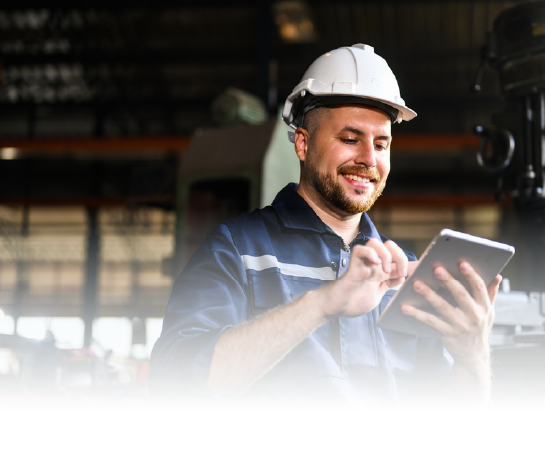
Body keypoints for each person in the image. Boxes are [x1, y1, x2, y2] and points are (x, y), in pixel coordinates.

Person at [150, 44, 501, 406]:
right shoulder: (237, 249)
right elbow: (174, 382)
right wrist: (321, 304)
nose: (368, 159)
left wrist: (472, 358)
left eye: (381, 145)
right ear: (303, 144)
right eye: (350, 139)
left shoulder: (405, 278)